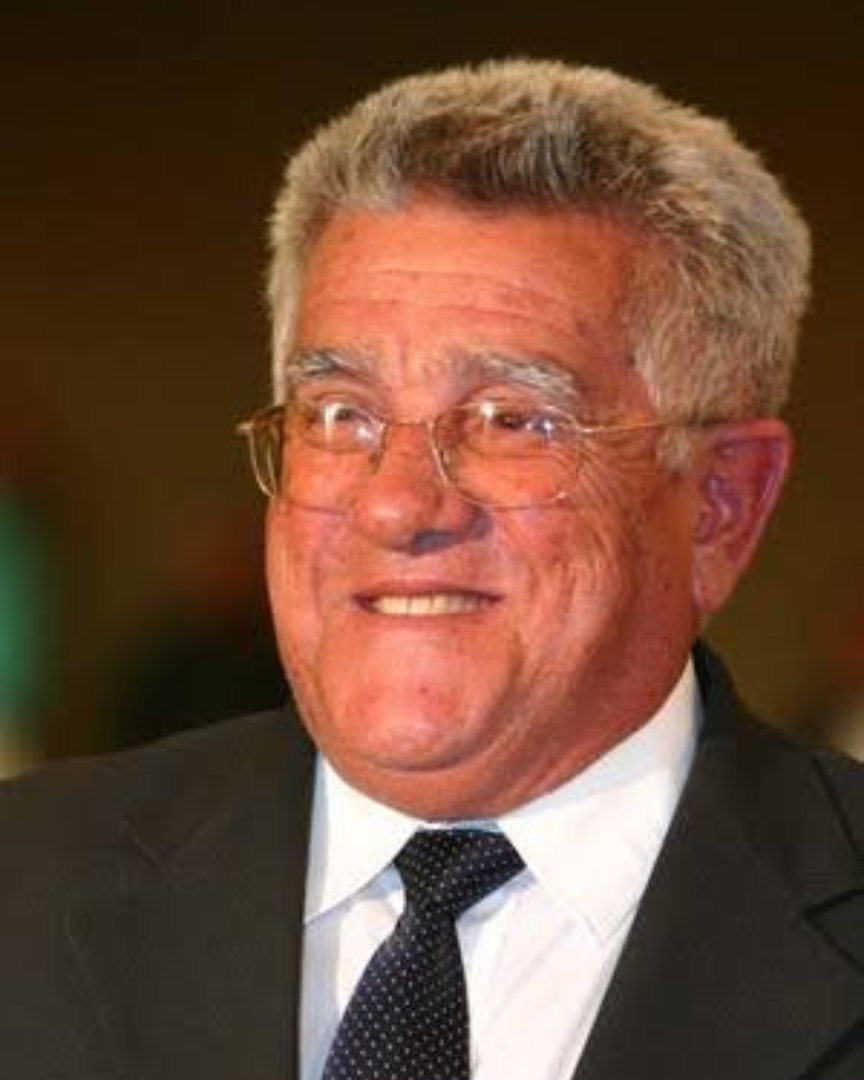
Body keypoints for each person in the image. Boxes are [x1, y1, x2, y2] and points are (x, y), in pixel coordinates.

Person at [2, 59, 862, 1080]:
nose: (396, 504)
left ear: (723, 502)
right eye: (341, 415)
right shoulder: (26, 888)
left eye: (513, 420)